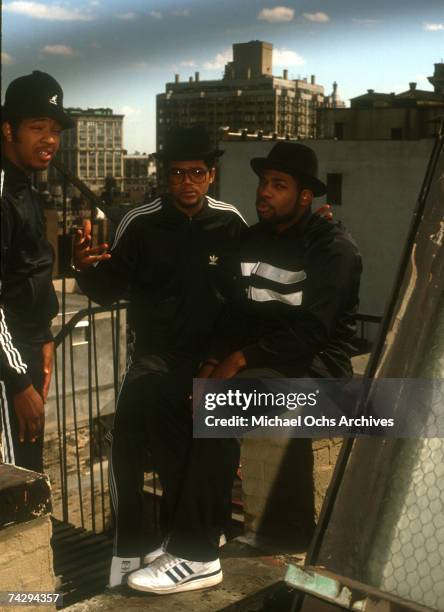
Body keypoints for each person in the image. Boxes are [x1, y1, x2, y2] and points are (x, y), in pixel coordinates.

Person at [73, 125, 247, 592]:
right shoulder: (141, 221)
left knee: (187, 459)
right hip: (153, 359)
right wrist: (83, 269)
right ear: (164, 177)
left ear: (211, 176)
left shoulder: (231, 223)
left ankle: (186, 548)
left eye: (196, 173)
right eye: (176, 174)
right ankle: (128, 553)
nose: (186, 182)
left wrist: (219, 363)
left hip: (208, 364)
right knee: (126, 444)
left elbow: (242, 300)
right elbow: (108, 288)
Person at [201, 141, 362, 381]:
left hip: (317, 365)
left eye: (279, 185)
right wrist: (211, 364)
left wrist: (237, 360)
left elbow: (312, 332)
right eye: (263, 181)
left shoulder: (332, 248)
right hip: (259, 357)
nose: (265, 192)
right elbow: (234, 312)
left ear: (305, 197)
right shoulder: (251, 240)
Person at [0, 71, 74, 472]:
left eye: (55, 130)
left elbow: (26, 274)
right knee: (13, 488)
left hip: (24, 355)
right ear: (9, 129)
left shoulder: (24, 187)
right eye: (37, 127)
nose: (49, 139)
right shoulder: (3, 193)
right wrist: (19, 382)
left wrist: (44, 338)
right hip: (7, 369)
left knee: (27, 474)